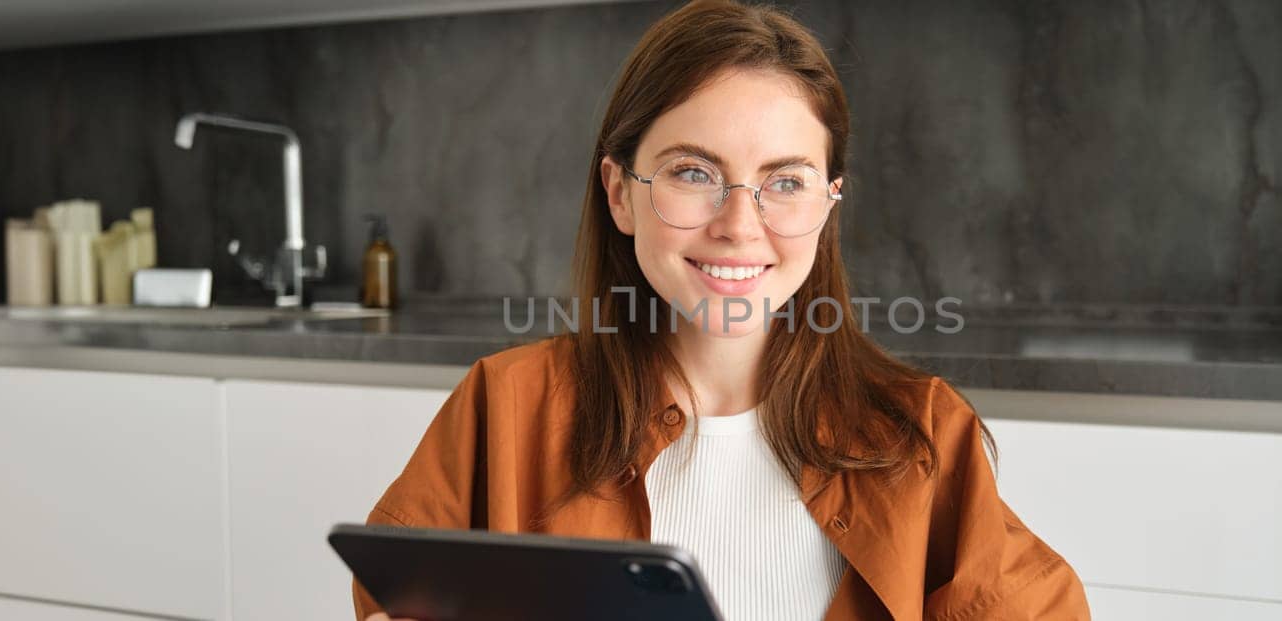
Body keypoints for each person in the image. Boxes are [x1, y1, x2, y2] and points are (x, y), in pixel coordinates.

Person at [356, 1, 1089, 619]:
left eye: (786, 180)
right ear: (620, 193)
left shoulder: (921, 435)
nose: (740, 225)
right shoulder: (503, 406)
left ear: (829, 204)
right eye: (694, 173)